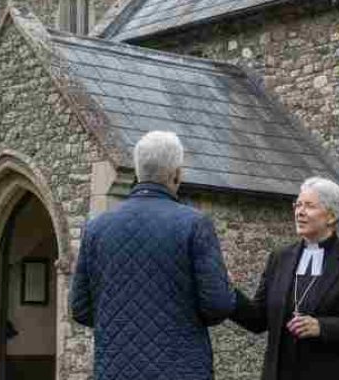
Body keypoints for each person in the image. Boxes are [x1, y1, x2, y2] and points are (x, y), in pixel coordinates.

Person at [69, 130, 235, 380]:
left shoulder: (96, 228)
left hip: (115, 370)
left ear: (137, 171)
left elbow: (80, 309)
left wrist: (121, 322)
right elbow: (217, 305)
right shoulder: (194, 224)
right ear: (177, 173)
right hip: (180, 370)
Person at [230, 177, 339, 380]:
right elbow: (258, 319)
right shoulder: (280, 258)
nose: (299, 212)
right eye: (298, 205)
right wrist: (227, 291)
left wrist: (322, 327)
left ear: (331, 216)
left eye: (309, 206)